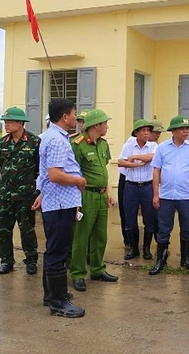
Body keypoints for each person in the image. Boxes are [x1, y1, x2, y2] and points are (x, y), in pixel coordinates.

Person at [34, 98, 86, 318]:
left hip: (57, 202)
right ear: (65, 116)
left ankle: (52, 295)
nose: (76, 117)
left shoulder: (51, 136)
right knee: (58, 251)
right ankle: (58, 302)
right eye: (74, 113)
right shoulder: (56, 140)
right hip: (60, 203)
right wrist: (79, 181)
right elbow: (54, 174)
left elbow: (43, 172)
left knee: (55, 249)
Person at [69, 109, 118, 292]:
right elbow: (72, 173)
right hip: (85, 195)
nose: (107, 126)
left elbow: (105, 171)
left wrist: (109, 193)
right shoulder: (77, 144)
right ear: (96, 125)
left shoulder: (103, 144)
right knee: (82, 236)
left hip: (101, 194)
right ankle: (78, 273)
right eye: (105, 123)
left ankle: (97, 269)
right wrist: (75, 201)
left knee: (100, 236)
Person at [150, 115, 189, 275]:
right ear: (173, 131)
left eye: (187, 129)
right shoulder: (162, 148)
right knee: (163, 229)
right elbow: (156, 170)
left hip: (185, 196)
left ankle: (185, 259)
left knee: (186, 228)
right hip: (166, 195)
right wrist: (155, 194)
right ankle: (161, 259)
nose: (186, 132)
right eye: (182, 129)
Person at [0, 107, 40, 275]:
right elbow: (2, 166)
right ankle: (6, 260)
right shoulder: (2, 143)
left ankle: (31, 260)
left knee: (27, 229)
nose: (6, 124)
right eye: (5, 121)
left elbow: (39, 169)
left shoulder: (34, 142)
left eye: (9, 121)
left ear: (20, 123)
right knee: (4, 230)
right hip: (5, 194)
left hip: (26, 195)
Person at [118, 119, 158, 260]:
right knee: (130, 219)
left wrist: (134, 157)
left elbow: (152, 157)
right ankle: (133, 248)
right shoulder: (129, 144)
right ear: (136, 133)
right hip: (131, 186)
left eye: (148, 130)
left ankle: (146, 249)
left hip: (147, 186)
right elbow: (121, 162)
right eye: (143, 130)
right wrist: (136, 165)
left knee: (149, 219)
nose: (147, 133)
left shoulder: (153, 145)